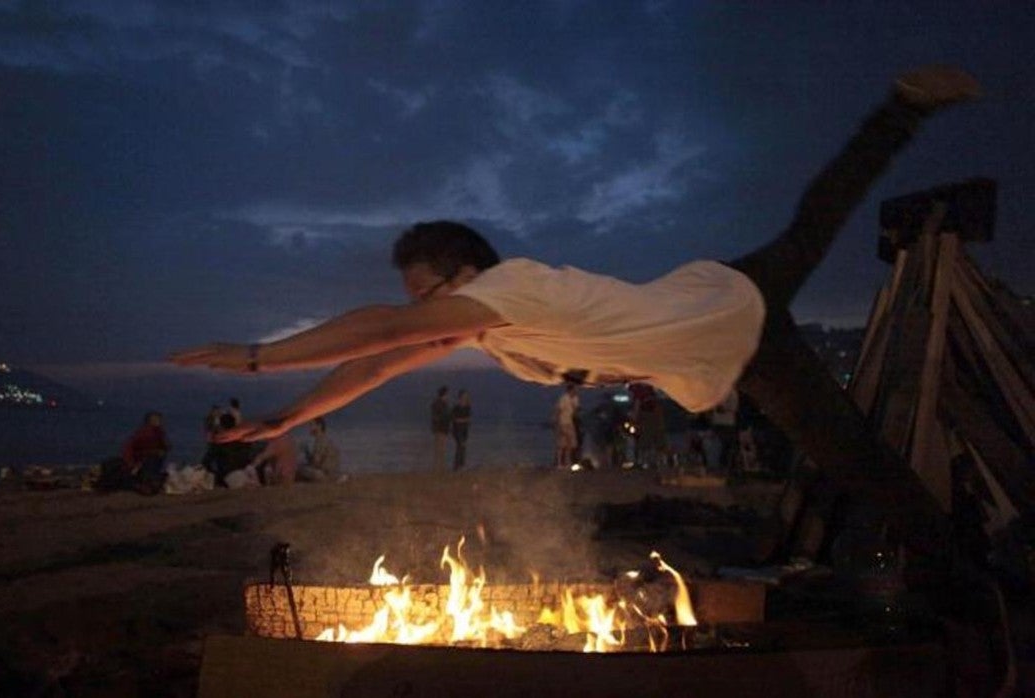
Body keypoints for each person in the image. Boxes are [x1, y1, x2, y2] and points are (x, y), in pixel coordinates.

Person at [171, 67, 979, 551]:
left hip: (740, 300)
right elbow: (378, 361)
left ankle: (902, 107)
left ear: (465, 273)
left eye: (427, 295)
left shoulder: (512, 287)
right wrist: (282, 420)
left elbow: (383, 329)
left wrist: (254, 354)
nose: (422, 315)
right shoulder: (492, 331)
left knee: (820, 224)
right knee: (858, 463)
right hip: (730, 353)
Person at [121, 411, 170, 494]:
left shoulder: (158, 432)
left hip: (150, 459)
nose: (160, 421)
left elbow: (165, 445)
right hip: (142, 460)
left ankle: (151, 480)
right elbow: (130, 448)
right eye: (157, 419)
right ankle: (147, 482)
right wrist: (131, 463)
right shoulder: (144, 433)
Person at [298, 417, 342, 482]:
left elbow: (315, 463)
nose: (309, 428)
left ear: (319, 426)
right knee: (302, 467)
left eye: (311, 425)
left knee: (300, 468)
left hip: (324, 475)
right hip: (330, 473)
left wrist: (306, 452)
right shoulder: (325, 439)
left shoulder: (320, 441)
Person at [553, 384, 579, 469]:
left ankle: (568, 463)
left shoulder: (575, 399)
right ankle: (560, 463)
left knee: (571, 444)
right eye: (574, 390)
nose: (576, 391)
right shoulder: (563, 398)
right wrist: (556, 423)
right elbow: (558, 410)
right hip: (563, 422)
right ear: (570, 390)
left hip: (570, 423)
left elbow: (575, 411)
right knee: (562, 444)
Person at [430, 386, 450, 471]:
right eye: (447, 394)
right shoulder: (441, 404)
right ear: (444, 394)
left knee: (439, 449)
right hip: (441, 428)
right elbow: (442, 416)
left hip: (440, 428)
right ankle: (439, 467)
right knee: (440, 449)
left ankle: (439, 467)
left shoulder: (437, 403)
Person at [451, 389, 471, 471]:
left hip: (464, 429)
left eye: (466, 396)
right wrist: (464, 420)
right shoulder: (456, 408)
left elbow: (468, 418)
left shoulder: (467, 407)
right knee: (460, 446)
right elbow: (454, 419)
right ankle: (457, 466)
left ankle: (461, 465)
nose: (465, 398)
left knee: (463, 447)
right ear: (460, 397)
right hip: (457, 430)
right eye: (464, 396)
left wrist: (466, 421)